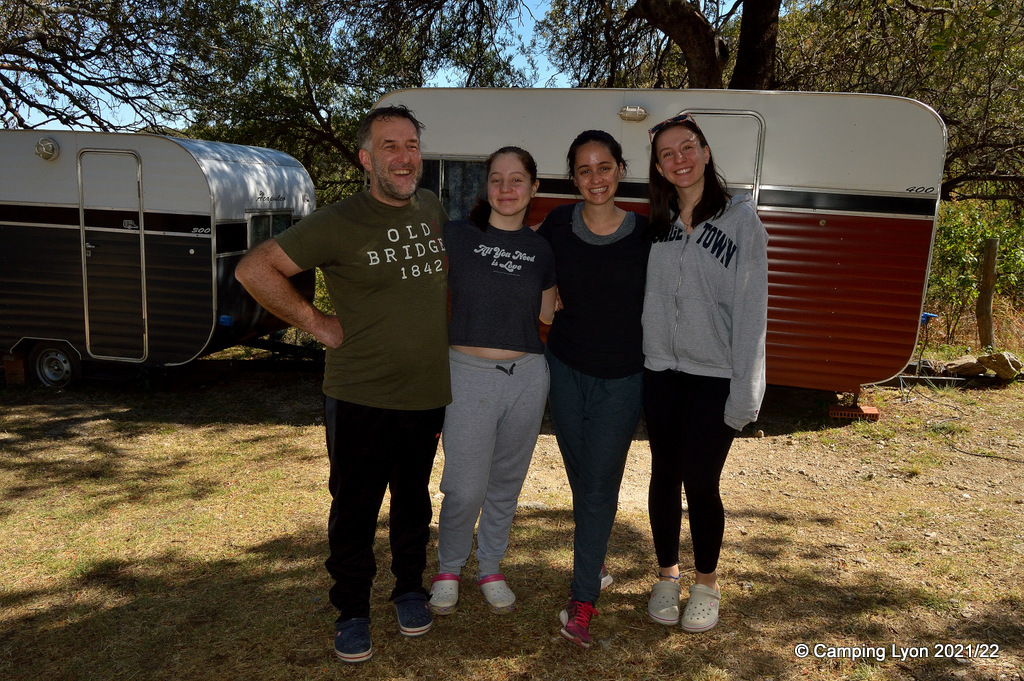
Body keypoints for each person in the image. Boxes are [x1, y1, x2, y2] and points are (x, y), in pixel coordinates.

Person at [234, 105, 449, 664]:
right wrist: (317, 323)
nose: (404, 158)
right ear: (366, 159)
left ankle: (409, 590)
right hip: (360, 396)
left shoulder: (431, 207)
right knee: (355, 507)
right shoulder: (337, 221)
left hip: (427, 392)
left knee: (413, 502)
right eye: (390, 147)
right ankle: (352, 610)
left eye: (411, 146)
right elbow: (254, 268)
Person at [642, 114, 768, 633]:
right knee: (663, 476)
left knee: (701, 481)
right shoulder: (658, 223)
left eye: (687, 147)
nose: (680, 159)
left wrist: (746, 391)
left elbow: (752, 312)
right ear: (658, 167)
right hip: (660, 372)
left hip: (714, 376)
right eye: (667, 154)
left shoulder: (741, 221)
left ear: (706, 152)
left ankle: (706, 584)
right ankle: (667, 576)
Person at [428, 147, 557, 617]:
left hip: (527, 376)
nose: (506, 188)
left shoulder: (542, 249)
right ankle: (449, 568)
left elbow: (548, 313)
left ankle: (490, 567)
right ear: (486, 187)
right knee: (464, 486)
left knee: (506, 481)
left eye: (517, 179)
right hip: (467, 373)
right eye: (497, 179)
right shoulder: (457, 234)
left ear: (534, 187)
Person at [535, 130, 650, 649]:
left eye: (605, 167)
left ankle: (582, 601)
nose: (595, 178)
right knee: (582, 476)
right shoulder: (558, 223)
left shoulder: (646, 232)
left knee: (600, 483)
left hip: (623, 377)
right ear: (573, 178)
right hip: (564, 367)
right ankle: (595, 561)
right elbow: (524, 257)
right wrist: (545, 294)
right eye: (584, 170)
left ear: (621, 169)